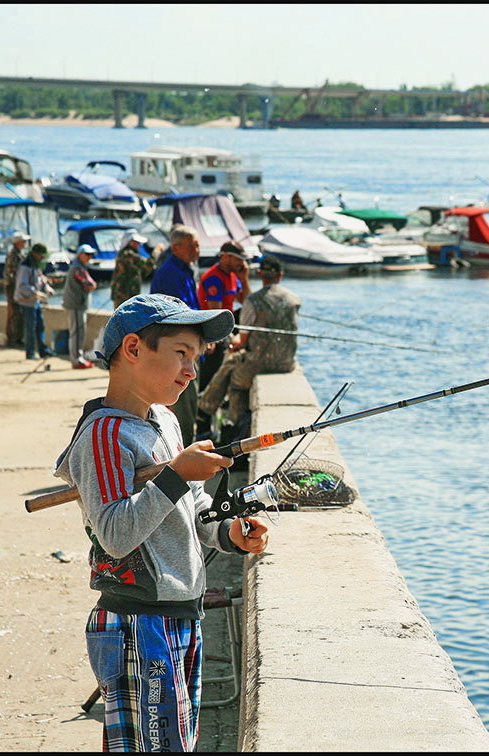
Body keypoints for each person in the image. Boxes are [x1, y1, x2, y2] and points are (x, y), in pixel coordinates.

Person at [52, 293, 269, 752]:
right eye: (181, 354)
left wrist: (227, 534)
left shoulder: (166, 422)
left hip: (180, 614)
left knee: (176, 745)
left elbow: (189, 511)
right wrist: (175, 475)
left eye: (197, 357)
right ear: (133, 349)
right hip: (137, 620)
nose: (192, 370)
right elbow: (114, 535)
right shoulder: (104, 435)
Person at [198, 255, 300, 445]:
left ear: (260, 274)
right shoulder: (295, 299)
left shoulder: (253, 301)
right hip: (286, 363)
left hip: (258, 365)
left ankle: (212, 416)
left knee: (234, 376)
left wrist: (231, 344)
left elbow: (242, 341)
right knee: (234, 365)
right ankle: (210, 415)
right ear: (281, 275)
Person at [149, 226, 204, 445]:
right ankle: (184, 463)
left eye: (198, 244)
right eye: (192, 245)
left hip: (186, 349)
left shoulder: (183, 270)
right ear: (176, 247)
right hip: (176, 352)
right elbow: (181, 314)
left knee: (188, 407)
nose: (197, 250)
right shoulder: (171, 273)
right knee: (182, 409)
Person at [195, 241, 251, 435]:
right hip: (214, 335)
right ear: (225, 256)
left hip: (226, 333)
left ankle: (212, 426)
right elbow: (215, 314)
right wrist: (228, 338)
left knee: (219, 382)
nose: (241, 263)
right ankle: (202, 428)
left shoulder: (233, 276)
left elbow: (247, 302)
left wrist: (244, 279)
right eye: (238, 259)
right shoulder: (213, 278)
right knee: (210, 383)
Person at [14, 243, 56, 360]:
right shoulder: (25, 266)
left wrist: (48, 289)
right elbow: (22, 286)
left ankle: (43, 350)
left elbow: (41, 281)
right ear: (35, 254)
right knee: (30, 327)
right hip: (27, 302)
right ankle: (30, 352)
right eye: (41, 255)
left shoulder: (36, 265)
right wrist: (36, 293)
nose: (42, 258)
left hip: (36, 302)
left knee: (40, 326)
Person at [63, 243, 98, 369]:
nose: (89, 257)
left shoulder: (78, 266)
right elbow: (89, 284)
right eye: (87, 254)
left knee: (78, 332)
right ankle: (77, 360)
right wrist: (93, 285)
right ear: (80, 254)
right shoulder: (78, 268)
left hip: (77, 305)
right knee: (77, 333)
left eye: (91, 254)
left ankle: (78, 358)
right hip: (76, 305)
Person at [110, 230, 155, 309]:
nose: (138, 244)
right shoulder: (128, 254)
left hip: (126, 294)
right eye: (135, 242)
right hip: (125, 295)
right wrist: (156, 253)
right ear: (129, 242)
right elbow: (147, 264)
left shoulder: (123, 254)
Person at [3, 230, 30, 347]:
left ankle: (16, 338)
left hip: (16, 286)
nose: (25, 243)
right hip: (13, 287)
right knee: (15, 312)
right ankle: (14, 339)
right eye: (23, 241)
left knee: (16, 312)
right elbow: (13, 273)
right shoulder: (14, 255)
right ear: (18, 242)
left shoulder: (18, 254)